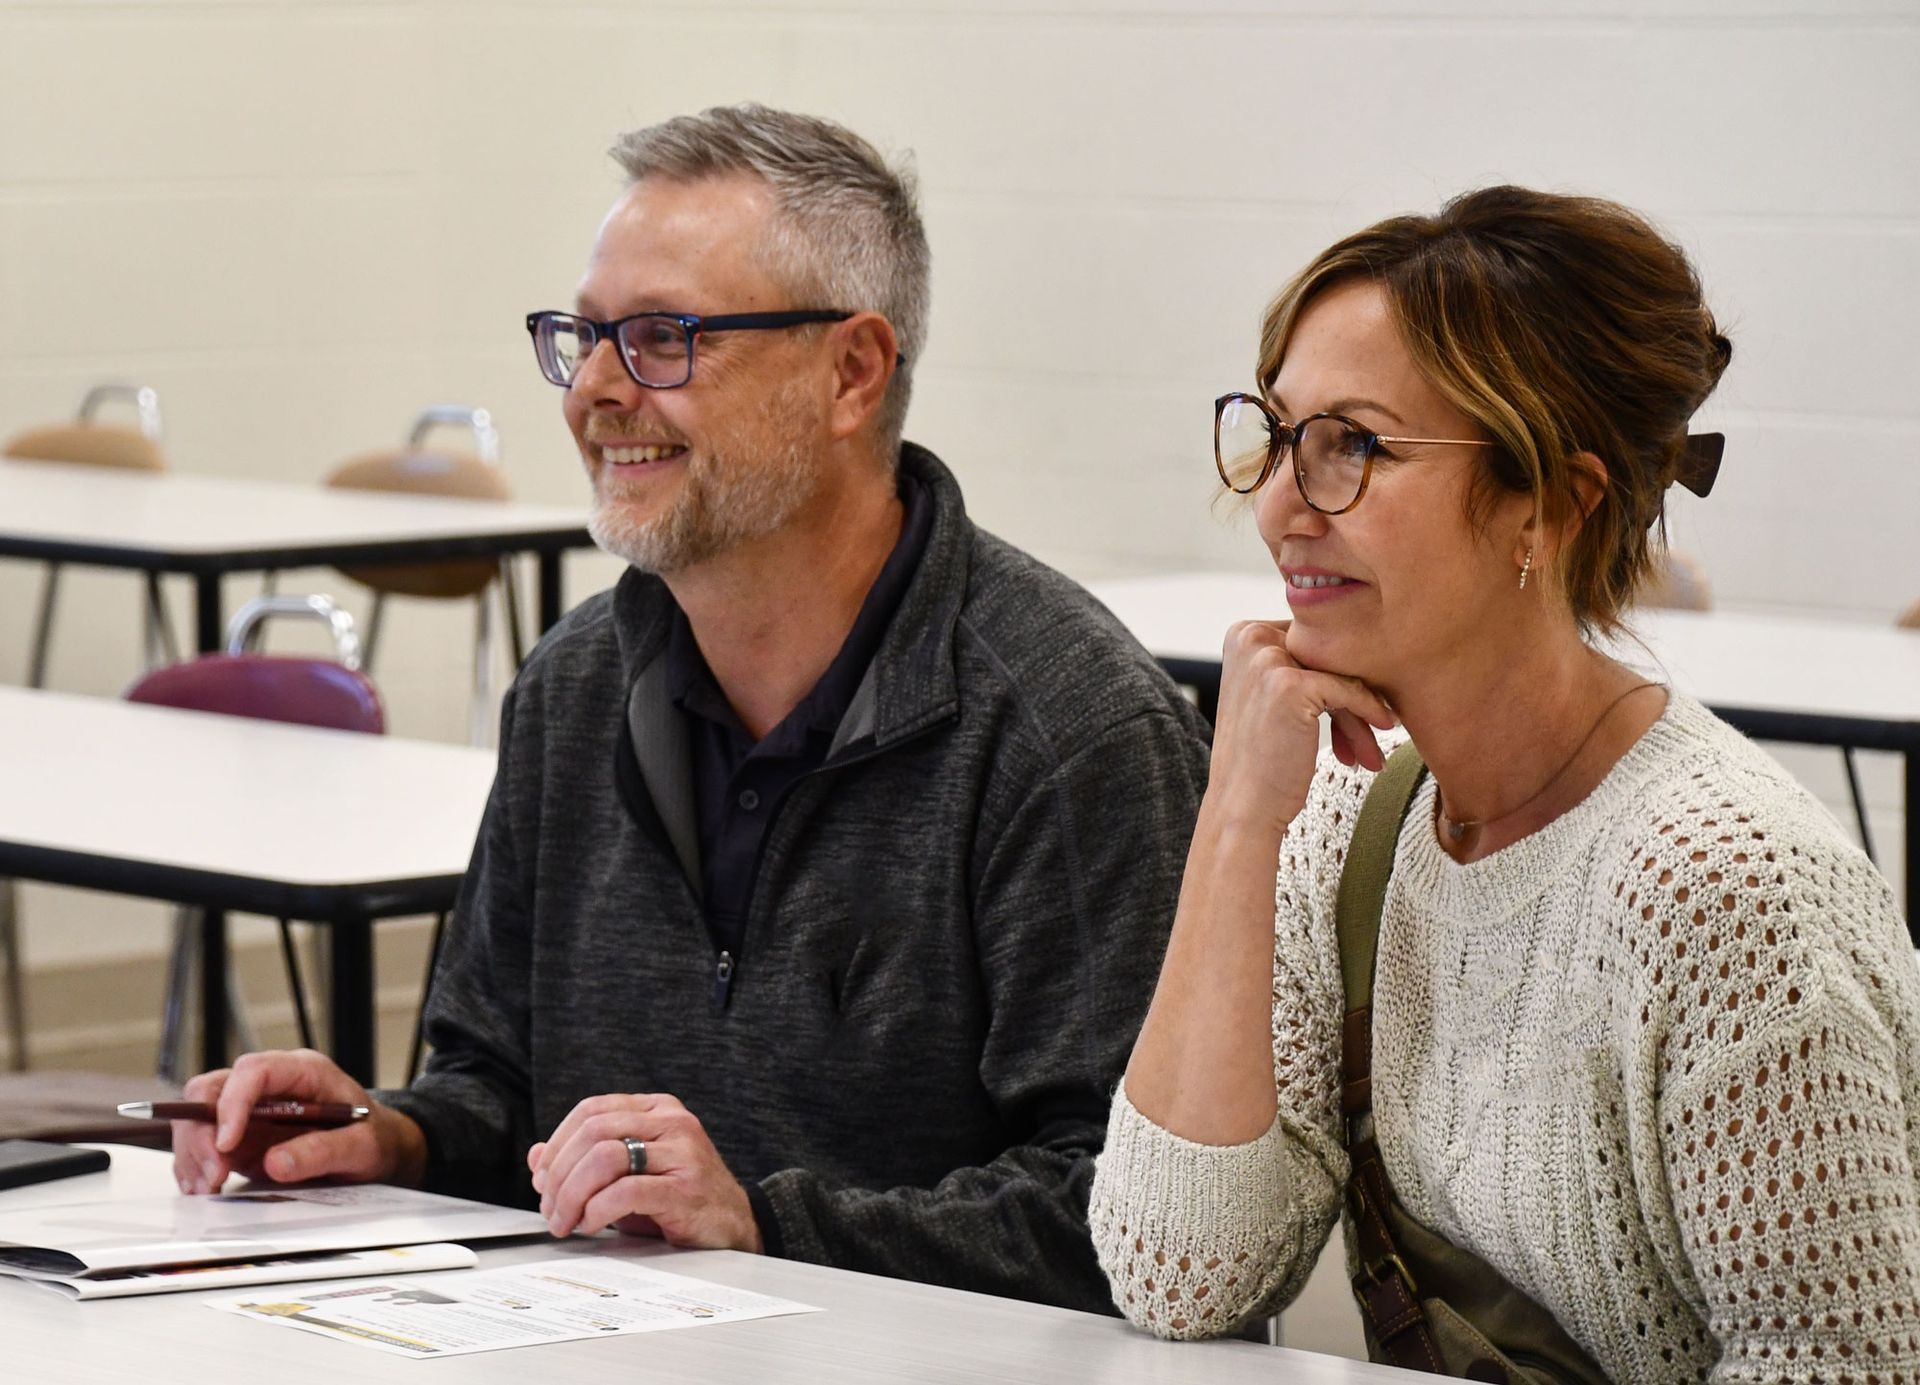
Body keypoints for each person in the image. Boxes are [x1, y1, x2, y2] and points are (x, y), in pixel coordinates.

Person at [171, 103, 1209, 1314]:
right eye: (584, 336)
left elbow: (1134, 1222)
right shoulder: (574, 686)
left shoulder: (1067, 728)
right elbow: (500, 1090)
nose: (597, 391)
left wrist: (762, 1221)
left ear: (851, 372)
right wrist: (387, 1133)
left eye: (663, 339)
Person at [1090, 186, 1920, 1377]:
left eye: (1354, 446)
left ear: (1553, 503)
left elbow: (1845, 1361)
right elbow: (1181, 1274)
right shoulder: (1348, 817)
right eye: (1277, 435)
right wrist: (1235, 822)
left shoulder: (1728, 888)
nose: (1277, 506)